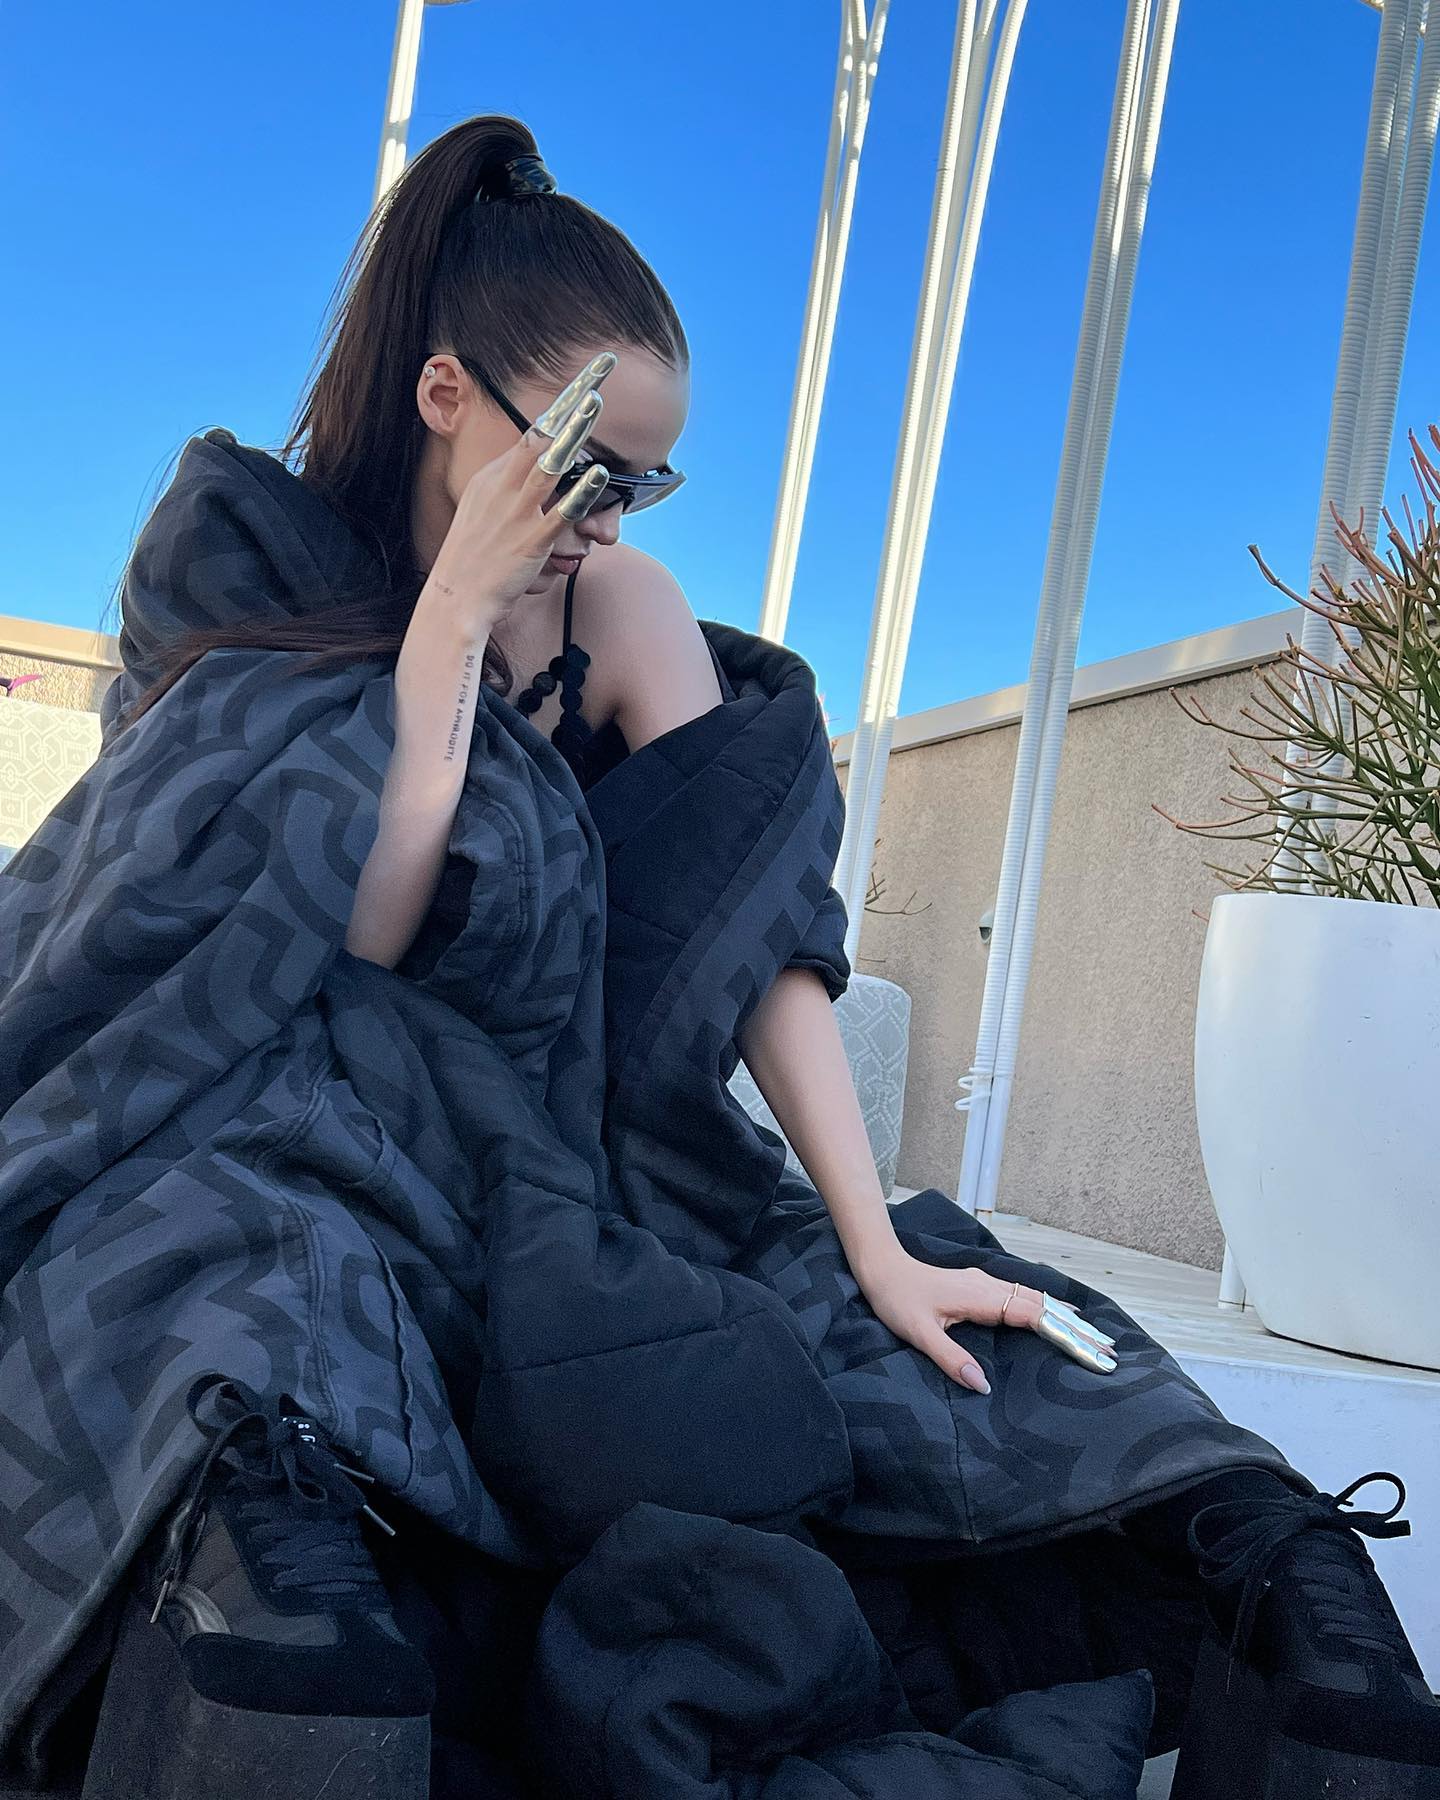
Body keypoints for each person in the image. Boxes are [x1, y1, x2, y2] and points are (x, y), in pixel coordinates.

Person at [0, 113, 1434, 1800]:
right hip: (320, 1119)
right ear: (447, 396)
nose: (611, 524)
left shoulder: (622, 615)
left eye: (647, 482)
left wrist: (870, 1235)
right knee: (228, 1283)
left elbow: (752, 933)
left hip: (579, 1140)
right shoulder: (256, 585)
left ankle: (1277, 1603)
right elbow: (364, 929)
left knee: (912, 1311)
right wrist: (447, 631)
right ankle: (278, 1656)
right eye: (589, 472)